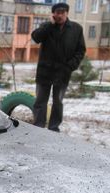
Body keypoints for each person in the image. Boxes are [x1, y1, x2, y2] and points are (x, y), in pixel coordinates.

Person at [31, 3, 86, 132]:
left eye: (62, 12)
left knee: (58, 102)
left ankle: (54, 128)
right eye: (57, 12)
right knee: (40, 101)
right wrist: (49, 25)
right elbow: (35, 38)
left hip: (63, 73)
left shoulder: (76, 29)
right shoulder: (47, 26)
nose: (60, 15)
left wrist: (70, 66)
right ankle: (38, 127)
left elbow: (81, 50)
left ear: (67, 13)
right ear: (53, 14)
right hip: (45, 72)